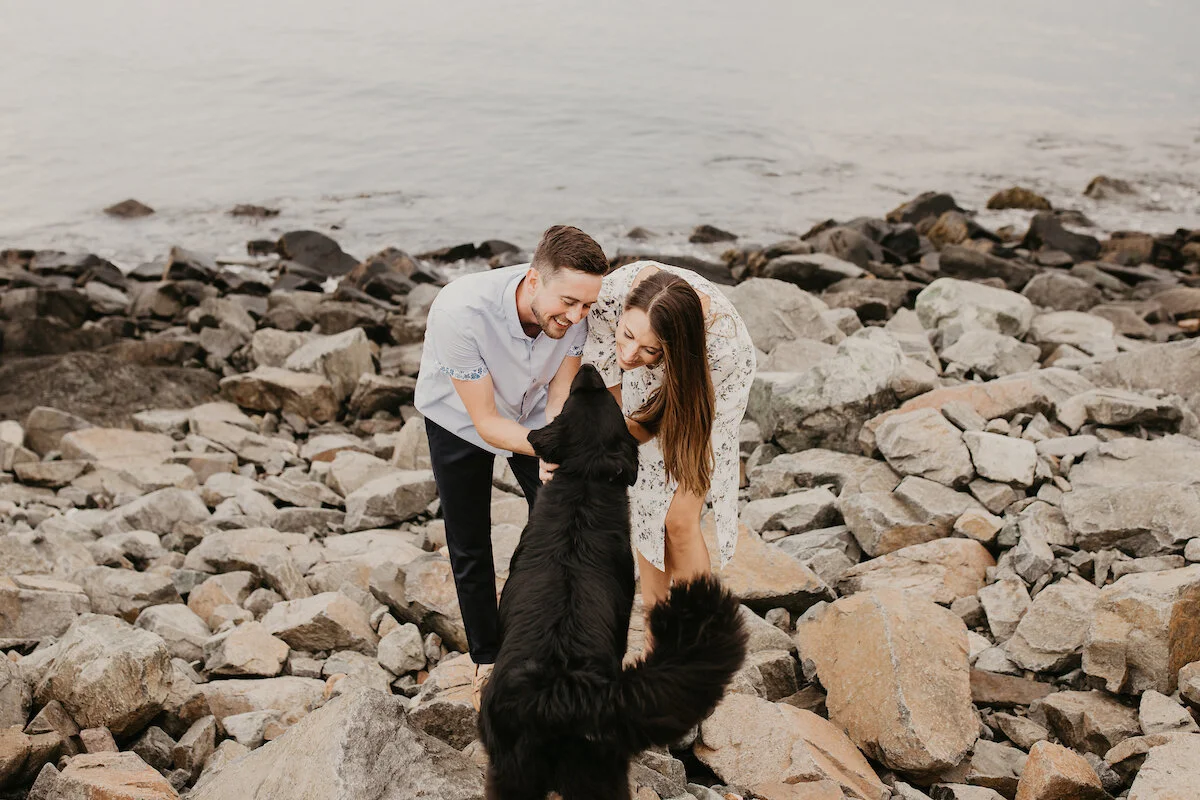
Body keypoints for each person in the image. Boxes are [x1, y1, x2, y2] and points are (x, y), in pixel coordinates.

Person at [414, 225, 608, 707]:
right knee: (470, 542)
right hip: (459, 418)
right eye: (568, 302)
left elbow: (561, 392)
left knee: (566, 524)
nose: (577, 316)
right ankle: (488, 659)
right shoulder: (460, 311)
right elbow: (485, 422)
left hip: (536, 408)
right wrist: (545, 449)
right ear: (533, 280)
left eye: (586, 305)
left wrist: (558, 446)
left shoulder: (578, 311)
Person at [580, 260, 756, 652]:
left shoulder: (721, 348)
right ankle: (655, 638)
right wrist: (608, 444)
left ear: (669, 349)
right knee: (646, 507)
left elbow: (679, 416)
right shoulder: (611, 296)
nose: (627, 353)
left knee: (678, 519)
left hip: (708, 386)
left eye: (647, 350)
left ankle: (701, 639)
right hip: (663, 367)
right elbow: (611, 378)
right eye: (626, 335)